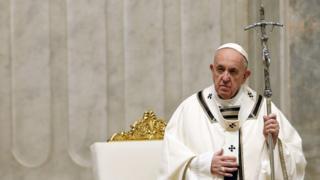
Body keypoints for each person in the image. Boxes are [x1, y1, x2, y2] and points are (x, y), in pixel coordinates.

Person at [158, 43, 306, 180]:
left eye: (233, 71)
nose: (225, 78)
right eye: (220, 69)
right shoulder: (189, 109)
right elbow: (170, 159)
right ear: (212, 69)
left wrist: (273, 143)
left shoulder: (264, 109)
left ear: (245, 76)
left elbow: (296, 159)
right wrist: (204, 164)